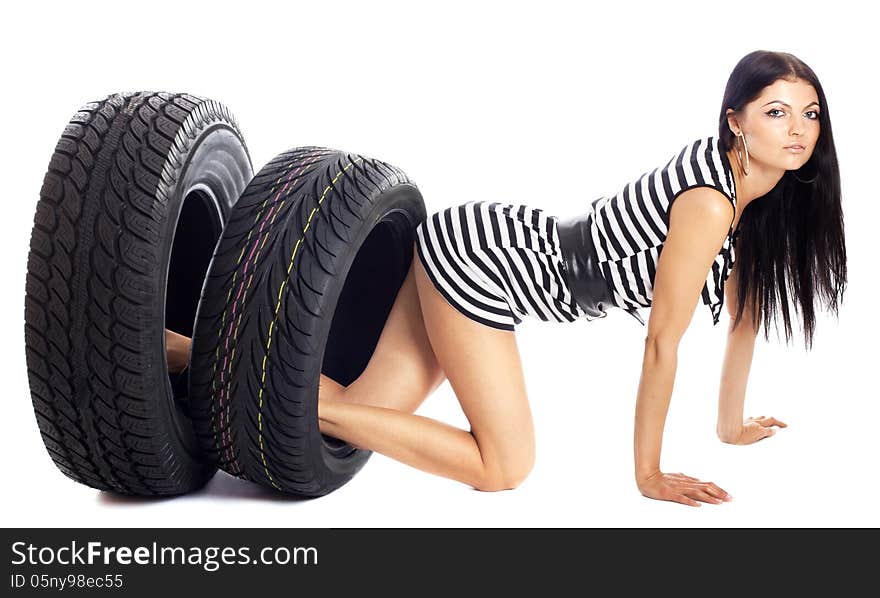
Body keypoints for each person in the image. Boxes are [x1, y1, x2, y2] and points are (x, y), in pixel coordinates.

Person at [171, 50, 847, 506]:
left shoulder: (750, 206)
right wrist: (648, 476)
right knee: (503, 466)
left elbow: (745, 318)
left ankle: (178, 353)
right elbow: (662, 343)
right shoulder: (708, 202)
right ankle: (266, 391)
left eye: (809, 113)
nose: (797, 129)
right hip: (486, 265)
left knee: (355, 414)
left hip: (481, 244)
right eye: (776, 111)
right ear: (736, 121)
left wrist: (729, 429)